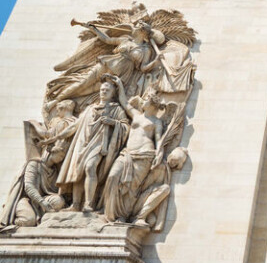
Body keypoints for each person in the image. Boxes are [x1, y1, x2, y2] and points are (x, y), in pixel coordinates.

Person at [48, 75, 130, 212]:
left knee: (90, 167)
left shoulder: (116, 109)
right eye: (102, 89)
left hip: (100, 145)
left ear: (113, 93)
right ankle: (75, 204)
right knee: (78, 172)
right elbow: (74, 126)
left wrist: (113, 123)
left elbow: (126, 127)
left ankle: (88, 203)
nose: (103, 92)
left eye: (107, 90)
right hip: (82, 143)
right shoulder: (90, 108)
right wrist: (54, 138)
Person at [103, 81, 166, 224]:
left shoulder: (156, 122)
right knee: (113, 176)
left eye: (145, 99)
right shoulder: (136, 115)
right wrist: (119, 84)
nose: (141, 101)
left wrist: (159, 154)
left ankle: (123, 216)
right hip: (127, 154)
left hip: (144, 155)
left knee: (132, 187)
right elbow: (125, 103)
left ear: (152, 104)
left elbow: (159, 140)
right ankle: (111, 213)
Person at [0, 142, 68, 229]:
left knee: (58, 201)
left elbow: (54, 191)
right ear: (53, 152)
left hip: (44, 200)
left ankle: (43, 217)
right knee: (28, 221)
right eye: (61, 156)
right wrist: (42, 202)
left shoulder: (55, 170)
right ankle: (13, 221)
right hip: (28, 200)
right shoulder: (34, 164)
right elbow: (29, 187)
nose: (61, 159)